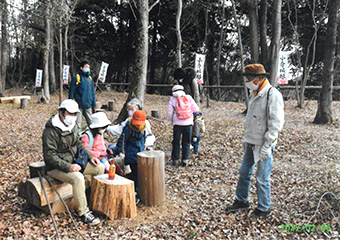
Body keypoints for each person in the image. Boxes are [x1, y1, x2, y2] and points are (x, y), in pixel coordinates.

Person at [226, 64, 284, 217]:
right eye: (246, 78)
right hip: (251, 141)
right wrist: (246, 138)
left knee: (262, 177)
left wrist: (268, 144)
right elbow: (252, 119)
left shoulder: (273, 95)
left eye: (250, 78)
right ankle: (242, 200)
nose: (247, 81)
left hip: (264, 143)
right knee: (244, 172)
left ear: (260, 77)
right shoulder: (254, 92)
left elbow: (276, 123)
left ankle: (264, 207)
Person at [42, 99, 104, 225]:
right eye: (70, 113)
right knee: (78, 178)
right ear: (61, 113)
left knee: (100, 168)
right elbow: (49, 156)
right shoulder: (51, 131)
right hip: (55, 168)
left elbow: (79, 145)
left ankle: (93, 200)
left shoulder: (72, 126)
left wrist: (90, 156)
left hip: (74, 161)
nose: (73, 117)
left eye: (75, 114)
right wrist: (68, 166)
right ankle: (84, 212)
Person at [167, 85, 199, 167]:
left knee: (176, 142)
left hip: (177, 124)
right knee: (186, 142)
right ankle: (185, 160)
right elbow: (196, 109)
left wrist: (172, 120)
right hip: (188, 124)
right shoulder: (188, 97)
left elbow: (170, 113)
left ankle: (175, 160)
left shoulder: (172, 99)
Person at [115, 110, 147, 190]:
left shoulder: (144, 129)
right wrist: (121, 153)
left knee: (140, 173)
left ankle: (138, 188)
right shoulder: (128, 129)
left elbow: (144, 139)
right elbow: (121, 141)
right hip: (130, 156)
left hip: (140, 156)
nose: (137, 126)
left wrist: (144, 146)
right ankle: (132, 190)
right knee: (132, 175)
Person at [69, 61, 96, 133]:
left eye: (88, 67)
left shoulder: (90, 79)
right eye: (86, 67)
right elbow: (71, 92)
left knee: (91, 123)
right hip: (78, 106)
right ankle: (78, 139)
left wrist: (94, 105)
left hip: (88, 105)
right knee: (78, 124)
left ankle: (94, 138)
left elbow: (92, 92)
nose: (88, 69)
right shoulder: (76, 78)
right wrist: (70, 105)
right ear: (81, 68)